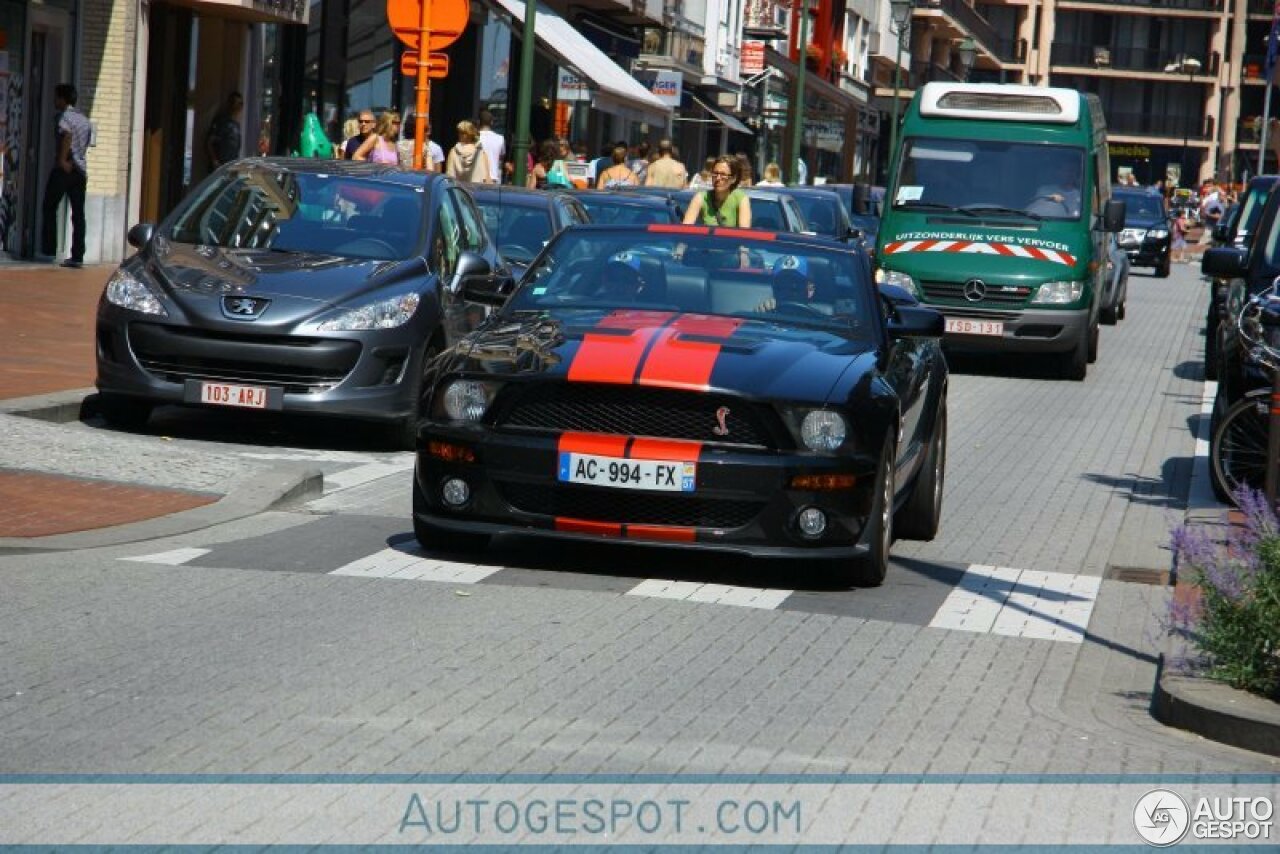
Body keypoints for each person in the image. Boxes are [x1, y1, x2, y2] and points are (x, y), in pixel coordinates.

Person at [42, 83, 92, 268]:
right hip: (80, 169)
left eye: (57, 97)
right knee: (78, 214)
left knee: (49, 206)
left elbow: (67, 135)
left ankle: (48, 250)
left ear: (63, 99)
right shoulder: (84, 120)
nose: (55, 101)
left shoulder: (64, 117)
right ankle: (77, 256)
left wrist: (62, 160)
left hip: (65, 168)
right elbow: (87, 143)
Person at [683, 155, 752, 228]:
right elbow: (685, 230)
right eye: (715, 173)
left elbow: (744, 232)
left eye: (723, 175)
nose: (718, 178)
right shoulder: (701, 197)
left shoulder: (741, 198)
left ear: (733, 179)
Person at [206, 91, 243, 170]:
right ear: (229, 104)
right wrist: (215, 161)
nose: (238, 107)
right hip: (219, 168)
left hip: (231, 168)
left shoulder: (237, 125)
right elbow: (209, 142)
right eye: (235, 103)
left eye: (240, 104)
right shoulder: (221, 121)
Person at [477, 110, 505, 183]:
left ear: (479, 122)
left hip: (477, 178)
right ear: (492, 122)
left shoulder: (475, 138)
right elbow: (501, 157)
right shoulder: (500, 138)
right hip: (494, 178)